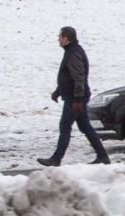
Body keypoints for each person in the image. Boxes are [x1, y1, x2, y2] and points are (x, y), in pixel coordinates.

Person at [38, 26, 110, 166]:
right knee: (85, 127)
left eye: (60, 36)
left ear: (66, 38)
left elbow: (78, 78)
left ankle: (56, 159)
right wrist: (58, 91)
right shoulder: (71, 51)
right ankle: (102, 156)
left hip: (75, 98)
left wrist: (77, 99)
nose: (58, 39)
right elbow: (68, 77)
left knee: (65, 125)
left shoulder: (74, 53)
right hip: (75, 96)